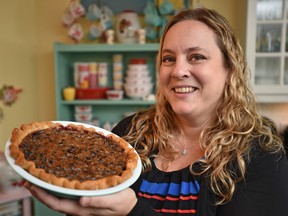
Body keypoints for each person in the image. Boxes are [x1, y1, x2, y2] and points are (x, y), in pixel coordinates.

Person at [25, 7, 288, 216]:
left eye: (196, 56)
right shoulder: (129, 133)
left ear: (230, 70)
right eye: (168, 58)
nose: (178, 70)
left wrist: (132, 211)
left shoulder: (260, 158)